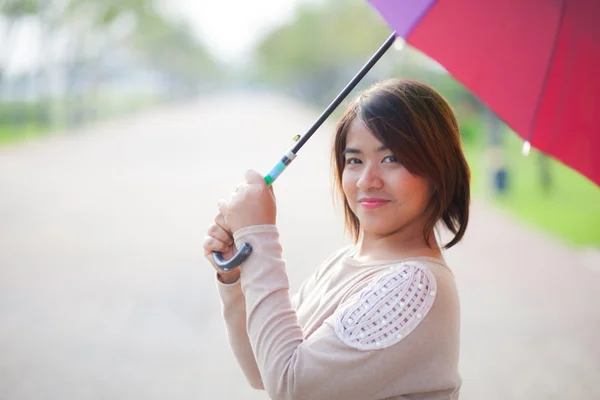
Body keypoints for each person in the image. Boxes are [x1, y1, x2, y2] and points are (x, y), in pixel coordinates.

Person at [203, 78, 470, 400]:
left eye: (392, 159)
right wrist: (236, 274)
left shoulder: (415, 284)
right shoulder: (344, 262)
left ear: (439, 170)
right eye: (354, 160)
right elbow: (263, 370)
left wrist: (259, 238)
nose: (367, 181)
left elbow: (291, 387)